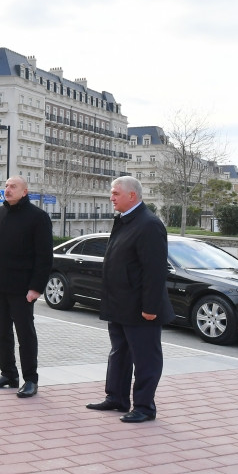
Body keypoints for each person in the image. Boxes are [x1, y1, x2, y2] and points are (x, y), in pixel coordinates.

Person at [86, 176, 174, 423]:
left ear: (132, 196)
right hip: (119, 304)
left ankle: (144, 407)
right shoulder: (125, 221)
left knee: (146, 359)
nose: (111, 197)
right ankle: (117, 398)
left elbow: (154, 271)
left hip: (140, 309)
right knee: (119, 353)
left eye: (115, 193)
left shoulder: (149, 224)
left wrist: (150, 307)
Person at [0, 175, 53, 399]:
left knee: (25, 335)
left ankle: (30, 379)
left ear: (24, 191)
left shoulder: (38, 217)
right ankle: (9, 374)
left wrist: (36, 288)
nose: (7, 189)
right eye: (6, 186)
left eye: (13, 186)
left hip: (23, 290)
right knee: (2, 333)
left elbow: (44, 257)